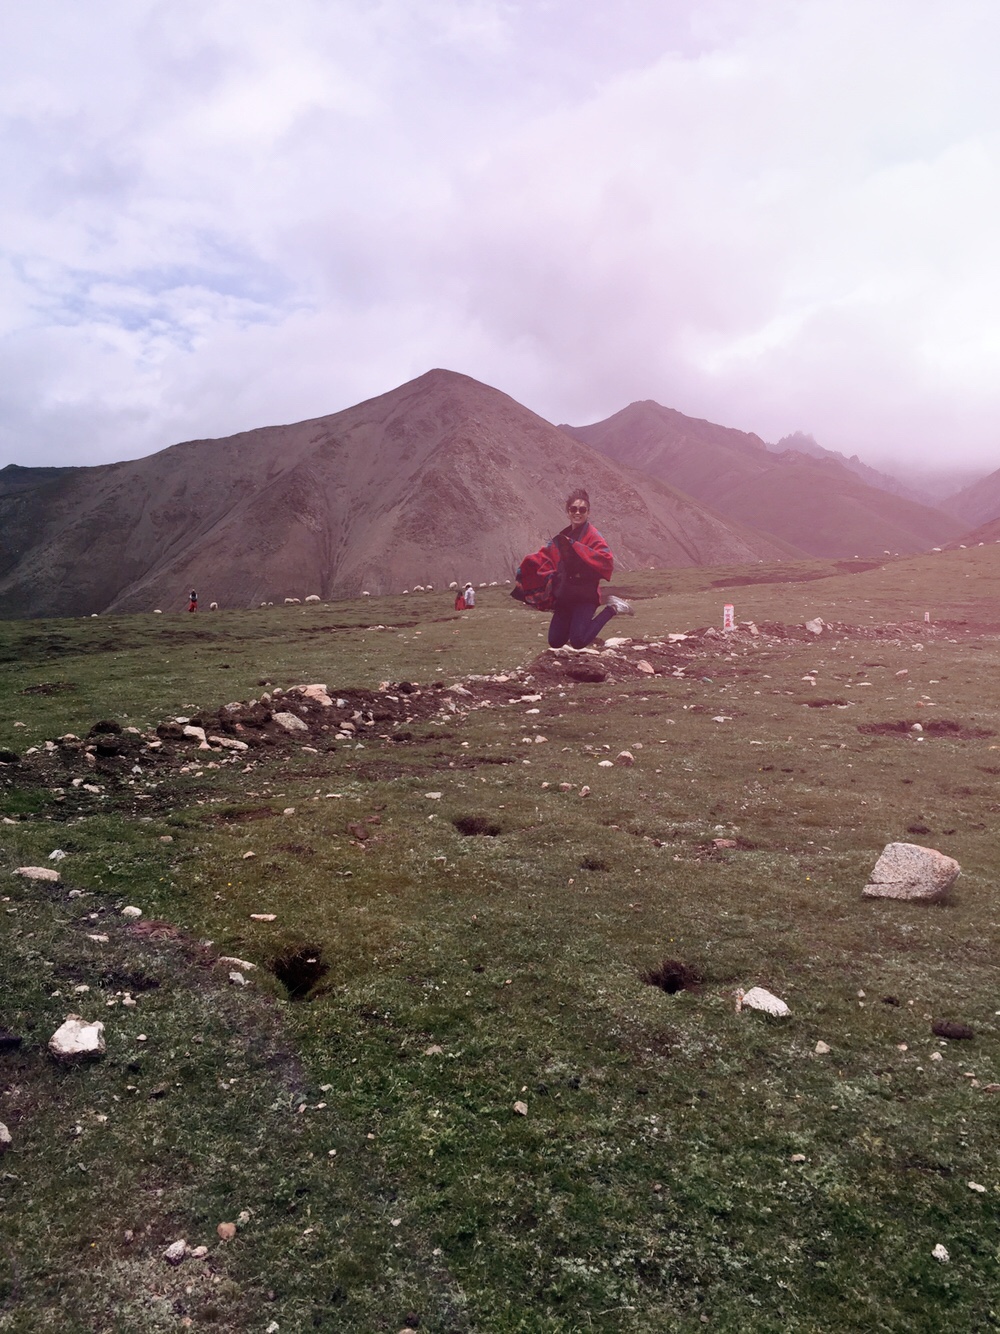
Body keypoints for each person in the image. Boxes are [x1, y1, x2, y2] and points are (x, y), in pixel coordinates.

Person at [546, 488, 632, 649]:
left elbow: (605, 559)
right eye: (573, 509)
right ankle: (574, 623)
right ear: (567, 512)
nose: (577, 513)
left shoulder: (593, 535)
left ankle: (613, 608)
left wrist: (582, 564)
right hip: (566, 596)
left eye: (582, 509)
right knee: (555, 641)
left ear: (588, 513)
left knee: (578, 641)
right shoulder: (564, 537)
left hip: (585, 595)